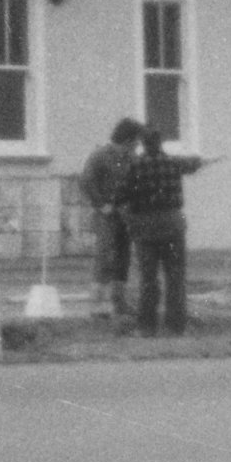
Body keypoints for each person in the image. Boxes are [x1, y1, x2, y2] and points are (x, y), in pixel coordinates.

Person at [117, 125, 207, 335]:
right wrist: (199, 161)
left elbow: (121, 196)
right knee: (175, 277)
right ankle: (175, 327)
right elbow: (193, 164)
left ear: (143, 144)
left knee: (148, 280)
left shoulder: (135, 166)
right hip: (173, 224)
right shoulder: (174, 163)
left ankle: (147, 327)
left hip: (146, 228)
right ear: (160, 143)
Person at [79, 118, 145, 317]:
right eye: (136, 140)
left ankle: (119, 301)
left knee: (123, 258)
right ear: (128, 139)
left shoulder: (131, 158)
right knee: (104, 256)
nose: (138, 145)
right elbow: (86, 181)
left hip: (126, 215)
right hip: (107, 215)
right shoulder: (100, 155)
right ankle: (97, 306)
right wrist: (101, 205)